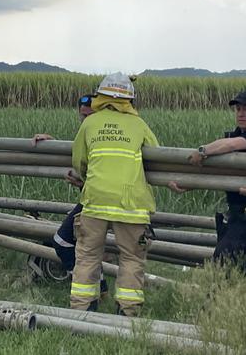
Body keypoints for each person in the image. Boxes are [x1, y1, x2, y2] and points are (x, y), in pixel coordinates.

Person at [69, 72, 158, 316]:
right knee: (131, 259)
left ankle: (82, 311)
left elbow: (79, 161)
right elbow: (158, 156)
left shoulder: (90, 123)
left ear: (101, 96)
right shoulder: (139, 125)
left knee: (87, 257)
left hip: (95, 201)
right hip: (131, 204)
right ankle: (127, 313)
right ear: (129, 100)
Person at [168, 90, 246, 270]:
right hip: (239, 212)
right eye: (238, 109)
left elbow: (231, 145)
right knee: (228, 266)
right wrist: (188, 184)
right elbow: (220, 171)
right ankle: (228, 296)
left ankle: (220, 295)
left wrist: (202, 151)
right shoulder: (234, 134)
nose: (241, 113)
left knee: (224, 266)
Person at [33, 95, 108, 294]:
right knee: (80, 245)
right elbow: (80, 157)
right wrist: (52, 144)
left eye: (89, 116)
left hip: (98, 199)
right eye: (82, 117)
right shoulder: (92, 132)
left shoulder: (100, 133)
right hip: (94, 196)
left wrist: (82, 182)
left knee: (65, 241)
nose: (85, 121)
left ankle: (89, 286)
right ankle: (99, 286)